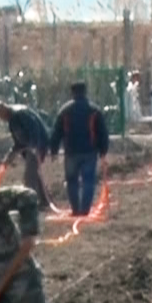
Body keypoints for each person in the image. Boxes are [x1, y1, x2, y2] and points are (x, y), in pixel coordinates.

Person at [50, 80, 110, 217]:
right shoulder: (94, 110)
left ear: (72, 93)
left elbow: (56, 132)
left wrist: (53, 149)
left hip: (70, 152)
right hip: (90, 151)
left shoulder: (65, 110)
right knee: (88, 180)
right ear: (85, 92)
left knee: (72, 181)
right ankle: (85, 210)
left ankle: (75, 209)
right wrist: (103, 150)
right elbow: (102, 132)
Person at [0, 100, 53, 207]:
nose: (1, 119)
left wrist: (34, 147)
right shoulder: (12, 120)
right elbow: (18, 143)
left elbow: (35, 129)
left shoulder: (20, 113)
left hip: (38, 145)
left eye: (0, 116)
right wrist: (9, 157)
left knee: (30, 175)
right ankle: (45, 201)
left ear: (3, 110)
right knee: (34, 174)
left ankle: (29, 203)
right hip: (31, 147)